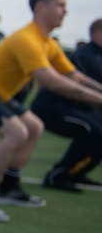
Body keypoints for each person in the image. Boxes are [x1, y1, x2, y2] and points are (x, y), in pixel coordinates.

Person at [0, 0, 102, 220]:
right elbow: (52, 81)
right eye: (60, 5)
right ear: (41, 7)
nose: (65, 11)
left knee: (34, 127)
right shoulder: (26, 38)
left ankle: (8, 187)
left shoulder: (47, 43)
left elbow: (73, 76)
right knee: (15, 132)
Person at [30, 17, 102, 191]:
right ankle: (58, 175)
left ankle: (77, 172)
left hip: (74, 107)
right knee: (93, 130)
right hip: (52, 108)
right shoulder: (87, 56)